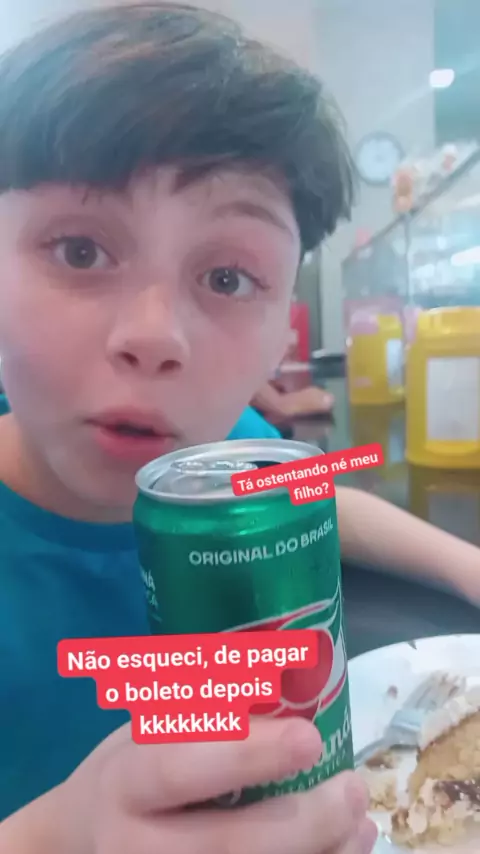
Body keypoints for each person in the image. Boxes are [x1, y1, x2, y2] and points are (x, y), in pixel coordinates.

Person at [0, 4, 479, 852]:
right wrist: (52, 837)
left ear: (283, 320)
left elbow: (306, 493)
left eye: (226, 276)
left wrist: (465, 564)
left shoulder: (209, 461)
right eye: (79, 250)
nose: (155, 336)